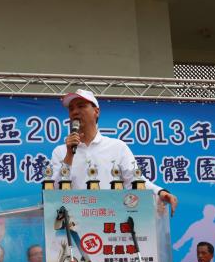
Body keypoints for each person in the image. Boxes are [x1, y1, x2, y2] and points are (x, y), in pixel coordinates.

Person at [49, 89, 178, 213]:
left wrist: (160, 192)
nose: (75, 112)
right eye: (71, 109)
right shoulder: (60, 152)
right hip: (74, 223)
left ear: (96, 111)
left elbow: (135, 181)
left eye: (81, 106)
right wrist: (69, 156)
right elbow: (52, 193)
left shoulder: (117, 147)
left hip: (110, 219)